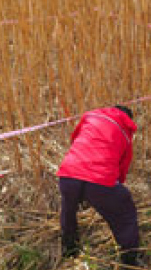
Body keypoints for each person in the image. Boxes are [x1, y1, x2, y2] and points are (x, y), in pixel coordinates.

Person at [56, 105, 140, 266]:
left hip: (68, 174)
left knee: (68, 211)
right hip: (99, 181)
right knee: (125, 213)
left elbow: (75, 139)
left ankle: (69, 250)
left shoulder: (91, 117)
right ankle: (129, 259)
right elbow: (123, 166)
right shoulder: (124, 130)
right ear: (128, 118)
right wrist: (113, 191)